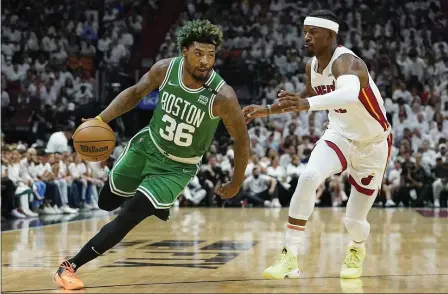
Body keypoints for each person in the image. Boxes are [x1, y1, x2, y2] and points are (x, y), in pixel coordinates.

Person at [54, 19, 250, 290]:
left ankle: (69, 266)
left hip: (176, 169)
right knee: (106, 203)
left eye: (211, 55)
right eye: (199, 53)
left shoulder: (223, 97)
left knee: (127, 217)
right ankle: (145, 197)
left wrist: (236, 182)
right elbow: (134, 94)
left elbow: (241, 141)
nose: (206, 61)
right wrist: (101, 119)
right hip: (147, 147)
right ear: (184, 51)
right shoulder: (165, 69)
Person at [244, 10, 392, 280]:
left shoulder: (347, 61)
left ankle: (356, 248)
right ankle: (290, 255)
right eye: (305, 32)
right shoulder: (311, 66)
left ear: (331, 35)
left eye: (313, 32)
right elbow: (306, 96)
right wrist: (266, 110)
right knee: (309, 176)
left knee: (354, 221)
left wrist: (306, 105)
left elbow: (347, 94)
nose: (307, 37)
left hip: (373, 144)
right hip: (338, 135)